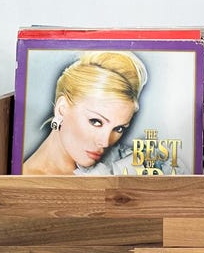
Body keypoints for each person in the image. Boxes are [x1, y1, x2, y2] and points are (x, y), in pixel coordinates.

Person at [22, 50, 150, 176]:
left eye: (119, 128)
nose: (105, 142)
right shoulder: (24, 184)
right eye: (96, 122)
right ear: (61, 109)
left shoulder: (121, 167)